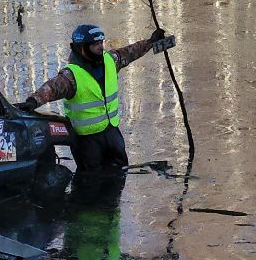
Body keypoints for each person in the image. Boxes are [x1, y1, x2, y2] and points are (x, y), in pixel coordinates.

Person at [19, 24, 176, 174]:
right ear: (83, 48)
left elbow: (130, 52)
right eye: (95, 44)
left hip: (111, 132)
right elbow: (52, 88)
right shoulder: (71, 75)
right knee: (91, 181)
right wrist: (32, 102)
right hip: (87, 141)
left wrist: (150, 42)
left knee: (120, 174)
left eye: (101, 42)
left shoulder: (110, 60)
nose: (101, 47)